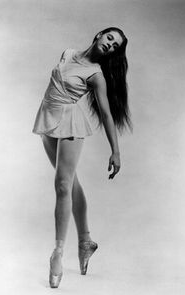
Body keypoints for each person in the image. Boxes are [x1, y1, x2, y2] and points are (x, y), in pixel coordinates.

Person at [32, 27, 132, 288]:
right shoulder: (68, 53)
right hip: (49, 118)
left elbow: (107, 114)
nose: (110, 45)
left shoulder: (97, 76)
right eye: (110, 38)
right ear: (99, 35)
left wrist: (116, 151)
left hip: (71, 125)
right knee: (71, 183)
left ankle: (57, 253)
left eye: (115, 46)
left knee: (63, 185)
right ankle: (86, 241)